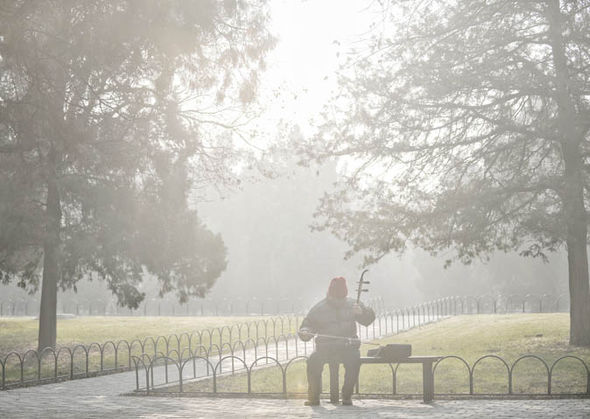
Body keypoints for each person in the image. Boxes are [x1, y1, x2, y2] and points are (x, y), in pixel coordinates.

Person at [298, 276, 375, 406]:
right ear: (329, 294)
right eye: (335, 298)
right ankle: (314, 397)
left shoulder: (353, 304)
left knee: (354, 362)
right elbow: (308, 324)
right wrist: (305, 331)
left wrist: (362, 313)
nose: (338, 301)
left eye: (341, 299)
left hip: (348, 347)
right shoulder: (319, 308)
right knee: (313, 361)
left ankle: (347, 395)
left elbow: (368, 320)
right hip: (325, 347)